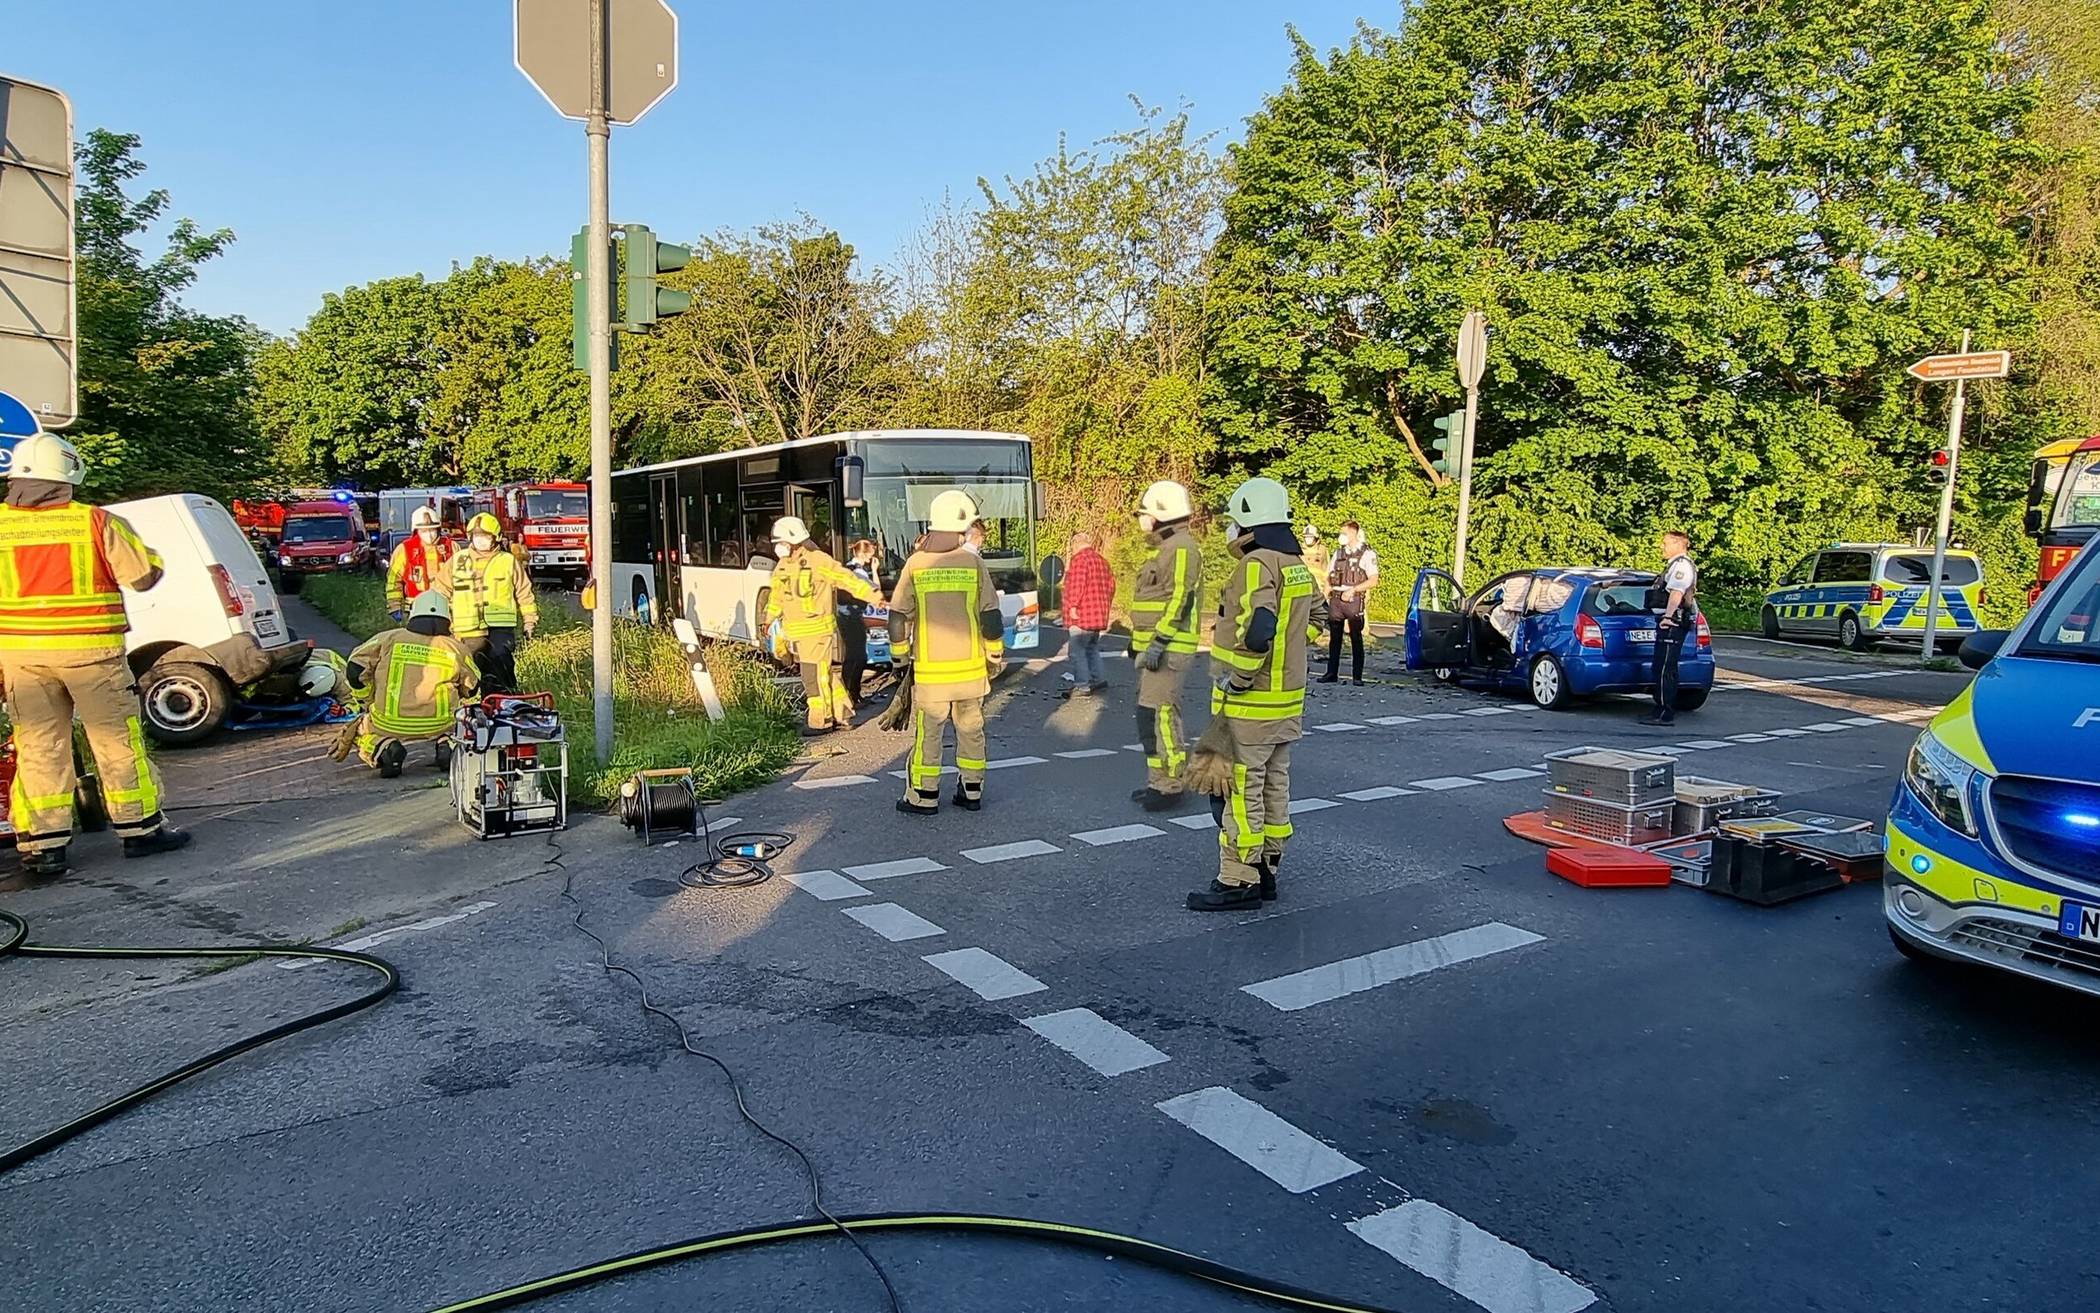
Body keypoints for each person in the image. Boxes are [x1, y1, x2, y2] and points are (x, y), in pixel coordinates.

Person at [0, 431, 189, 878]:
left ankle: (44, 847)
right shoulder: (94, 522)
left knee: (38, 746)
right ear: (66, 478)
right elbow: (142, 575)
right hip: (91, 655)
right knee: (115, 741)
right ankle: (139, 829)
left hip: (22, 657)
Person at [1189, 476, 1327, 911]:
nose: (1230, 531)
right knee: (1274, 787)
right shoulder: (1297, 566)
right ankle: (1269, 868)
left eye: (1233, 522)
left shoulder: (1256, 565)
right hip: (1287, 704)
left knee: (1242, 792)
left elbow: (1260, 629)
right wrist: (1293, 639)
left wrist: (1241, 679)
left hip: (1252, 705)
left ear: (1248, 523)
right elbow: (1320, 622)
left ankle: (1238, 879)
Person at [889, 490, 1004, 816]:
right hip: (969, 671)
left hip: (932, 673)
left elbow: (899, 617)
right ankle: (971, 791)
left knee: (930, 734)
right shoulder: (973, 563)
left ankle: (923, 796)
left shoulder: (915, 565)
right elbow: (991, 616)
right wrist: (994, 656)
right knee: (971, 730)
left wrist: (899, 659)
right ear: (961, 527)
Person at [335, 590, 479, 777]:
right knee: (457, 729)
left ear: (413, 614)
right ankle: (447, 744)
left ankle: (384, 749)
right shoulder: (457, 649)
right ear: (447, 618)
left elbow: (355, 669)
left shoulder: (388, 639)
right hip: (441, 722)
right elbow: (472, 687)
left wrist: (366, 700)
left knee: (361, 731)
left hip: (387, 720)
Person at [767, 516, 878, 733]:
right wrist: (769, 618)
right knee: (822, 672)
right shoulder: (783, 566)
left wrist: (873, 595)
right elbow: (777, 596)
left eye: (781, 543)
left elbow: (845, 578)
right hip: (799, 632)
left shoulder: (819, 561)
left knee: (812, 676)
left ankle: (821, 721)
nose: (778, 548)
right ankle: (842, 713)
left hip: (817, 630)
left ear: (794, 541)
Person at [1129, 481, 1202, 809]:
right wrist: (1138, 643)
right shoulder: (1165, 547)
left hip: (1168, 649)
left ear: (1162, 514)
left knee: (1162, 717)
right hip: (1154, 650)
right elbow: (1152, 599)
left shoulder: (1182, 547)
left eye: (1146, 513)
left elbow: (1180, 597)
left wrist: (1158, 642)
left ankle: (1171, 785)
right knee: (1150, 717)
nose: (1142, 520)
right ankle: (1158, 781)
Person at [445, 511, 537, 695]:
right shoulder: (456, 561)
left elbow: (524, 593)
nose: (480, 541)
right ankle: (472, 707)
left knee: (501, 664)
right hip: (467, 630)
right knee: (471, 670)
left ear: (496, 538)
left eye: (485, 536)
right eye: (477, 536)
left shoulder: (508, 561)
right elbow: (440, 592)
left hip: (500, 628)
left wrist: (529, 621)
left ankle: (503, 703)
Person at [1644, 530, 1699, 726]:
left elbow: (1677, 593)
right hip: (1671, 621)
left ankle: (1664, 711)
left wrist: (1668, 617)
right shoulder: (1674, 565)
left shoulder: (1681, 566)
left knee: (1665, 667)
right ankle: (1661, 708)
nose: (1662, 547)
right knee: (1662, 666)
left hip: (1672, 622)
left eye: (1665, 543)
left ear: (1677, 544)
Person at [1319, 521, 1380, 685]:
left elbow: (1373, 580)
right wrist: (1323, 598)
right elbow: (1329, 578)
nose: (1341, 536)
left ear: (1353, 533)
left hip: (1354, 599)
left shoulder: (1367, 554)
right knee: (1335, 638)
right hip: (1336, 599)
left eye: (1344, 533)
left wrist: (1353, 590)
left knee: (1355, 638)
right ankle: (1331, 673)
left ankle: (1357, 676)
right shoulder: (1338, 553)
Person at [1061, 531, 1114, 697]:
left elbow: (1076, 586)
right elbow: (1112, 586)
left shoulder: (1080, 560)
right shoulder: (1102, 561)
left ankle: (1082, 685)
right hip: (1099, 614)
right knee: (1092, 648)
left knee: (1077, 651)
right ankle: (1099, 679)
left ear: (1075, 544)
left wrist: (1072, 607)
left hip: (1082, 614)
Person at [384, 504, 453, 621]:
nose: (430, 534)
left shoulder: (451, 547)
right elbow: (394, 580)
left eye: (432, 530)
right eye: (424, 531)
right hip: (415, 610)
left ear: (438, 529)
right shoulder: (405, 549)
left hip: (447, 609)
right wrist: (395, 605)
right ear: (416, 531)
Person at [837, 538, 884, 705]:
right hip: (852, 615)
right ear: (863, 554)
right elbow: (875, 590)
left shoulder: (846, 568)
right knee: (858, 655)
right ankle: (853, 694)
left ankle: (850, 693)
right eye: (870, 556)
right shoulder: (860, 572)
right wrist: (875, 570)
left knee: (852, 654)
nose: (872, 559)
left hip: (844, 614)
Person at [1300, 525, 1330, 600]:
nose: (1308, 539)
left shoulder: (1322, 550)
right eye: (1306, 537)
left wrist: (1326, 589)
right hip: (1303, 588)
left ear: (1315, 537)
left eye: (1310, 537)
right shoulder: (1299, 550)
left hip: (1319, 588)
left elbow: (1327, 569)